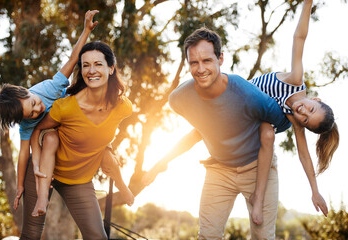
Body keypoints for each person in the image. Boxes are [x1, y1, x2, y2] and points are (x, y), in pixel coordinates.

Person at [144, 27, 292, 239]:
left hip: (257, 168)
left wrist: (302, 105)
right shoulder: (179, 99)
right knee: (208, 236)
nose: (200, 69)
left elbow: (283, 122)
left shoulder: (245, 92)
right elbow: (199, 132)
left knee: (263, 236)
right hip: (220, 170)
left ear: (220, 58)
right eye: (194, 62)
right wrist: (161, 163)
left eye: (206, 60)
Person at [0, 10, 99, 212]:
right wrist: (20, 185)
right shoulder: (26, 123)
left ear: (27, 91)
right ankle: (42, 197)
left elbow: (73, 59)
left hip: (70, 124)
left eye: (34, 104)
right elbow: (23, 155)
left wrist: (85, 30)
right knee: (46, 140)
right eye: (30, 114)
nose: (37, 110)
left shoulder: (49, 88)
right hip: (51, 136)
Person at [29, 40, 134, 239]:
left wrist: (108, 147)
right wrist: (35, 163)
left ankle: (124, 186)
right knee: (31, 235)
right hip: (45, 169)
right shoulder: (66, 106)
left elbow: (100, 131)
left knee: (98, 237)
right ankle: (42, 198)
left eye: (98, 64)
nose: (91, 70)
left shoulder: (123, 107)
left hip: (78, 180)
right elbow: (37, 130)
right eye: (86, 65)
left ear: (111, 68)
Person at [248, 0, 339, 225]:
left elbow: (304, 154)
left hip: (252, 119)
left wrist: (315, 191)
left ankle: (257, 200)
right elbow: (299, 37)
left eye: (305, 119)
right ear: (315, 99)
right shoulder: (296, 79)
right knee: (271, 128)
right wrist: (307, 3)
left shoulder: (294, 118)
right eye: (310, 107)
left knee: (269, 132)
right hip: (244, 96)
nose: (302, 112)